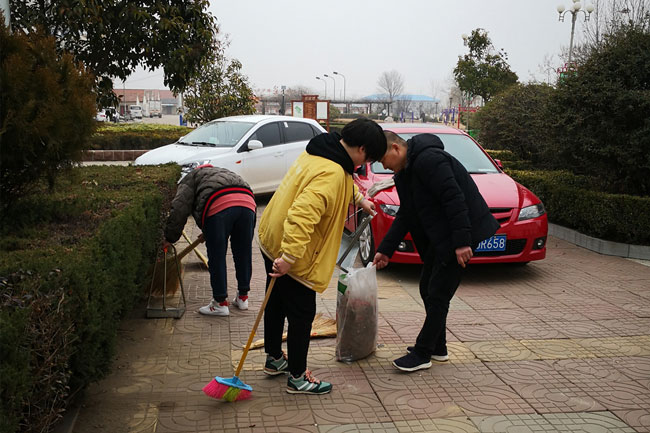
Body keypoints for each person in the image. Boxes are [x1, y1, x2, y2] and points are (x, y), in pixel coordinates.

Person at [258, 118, 387, 395]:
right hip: (295, 252)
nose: (365, 164)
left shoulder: (322, 152)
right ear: (362, 149)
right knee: (302, 314)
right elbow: (303, 214)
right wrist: (290, 257)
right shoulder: (332, 171)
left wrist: (359, 199)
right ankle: (297, 376)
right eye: (369, 158)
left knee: (276, 302)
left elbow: (342, 184)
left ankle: (274, 358)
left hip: (272, 235)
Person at [373, 131, 499, 372]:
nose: (384, 166)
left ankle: (423, 352)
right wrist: (386, 250)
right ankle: (438, 347)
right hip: (441, 237)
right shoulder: (405, 172)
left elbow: (454, 199)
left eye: (383, 160)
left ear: (396, 149)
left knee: (439, 293)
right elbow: (406, 213)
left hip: (459, 234)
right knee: (427, 288)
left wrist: (462, 242)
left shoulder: (430, 160)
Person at [163, 164, 256, 316]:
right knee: (243, 253)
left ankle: (220, 303)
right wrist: (208, 230)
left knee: (217, 255)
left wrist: (170, 237)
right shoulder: (225, 172)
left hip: (218, 205)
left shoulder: (190, 178)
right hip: (248, 204)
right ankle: (243, 298)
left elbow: (179, 208)